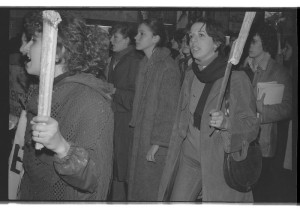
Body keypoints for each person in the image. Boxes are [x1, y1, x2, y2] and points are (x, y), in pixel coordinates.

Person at [158, 18, 260, 202]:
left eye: (201, 35)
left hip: (219, 161)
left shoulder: (235, 78)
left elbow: (252, 126)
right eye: (191, 36)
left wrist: (227, 123)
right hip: (190, 156)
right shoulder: (190, 74)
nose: (193, 41)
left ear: (217, 43)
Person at [18, 10, 114, 200]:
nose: (23, 49)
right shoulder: (42, 93)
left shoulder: (90, 101)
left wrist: (62, 147)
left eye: (33, 41)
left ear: (57, 51)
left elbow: (95, 180)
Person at [128, 18, 181, 201]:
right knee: (138, 186)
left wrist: (158, 142)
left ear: (156, 38)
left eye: (142, 33)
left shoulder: (168, 67)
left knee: (149, 189)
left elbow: (169, 108)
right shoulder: (145, 63)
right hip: (142, 134)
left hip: (155, 141)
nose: (136, 37)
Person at [242, 23, 292, 203]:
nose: (250, 45)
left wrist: (264, 111)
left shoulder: (279, 71)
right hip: (242, 136)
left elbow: (288, 107)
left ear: (266, 43)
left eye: (254, 42)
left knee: (261, 191)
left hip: (263, 142)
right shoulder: (244, 67)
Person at [107, 23, 143, 201]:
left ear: (128, 40)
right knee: (114, 166)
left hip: (125, 122)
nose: (111, 40)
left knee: (123, 168)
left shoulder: (135, 61)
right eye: (111, 36)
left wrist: (114, 91)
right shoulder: (114, 58)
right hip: (113, 118)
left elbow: (137, 99)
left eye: (116, 37)